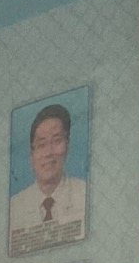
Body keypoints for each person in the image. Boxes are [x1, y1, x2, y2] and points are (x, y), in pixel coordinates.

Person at [6, 103, 85, 241]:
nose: (48, 153)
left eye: (56, 141)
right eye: (41, 145)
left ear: (67, 145)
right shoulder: (14, 208)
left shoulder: (85, 194)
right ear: (31, 154)